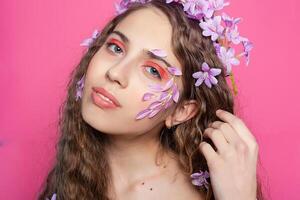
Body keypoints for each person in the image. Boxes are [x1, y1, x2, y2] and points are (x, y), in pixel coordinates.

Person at [38, 0, 264, 199]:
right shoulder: (77, 162)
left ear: (182, 111)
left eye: (153, 71)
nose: (115, 73)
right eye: (116, 47)